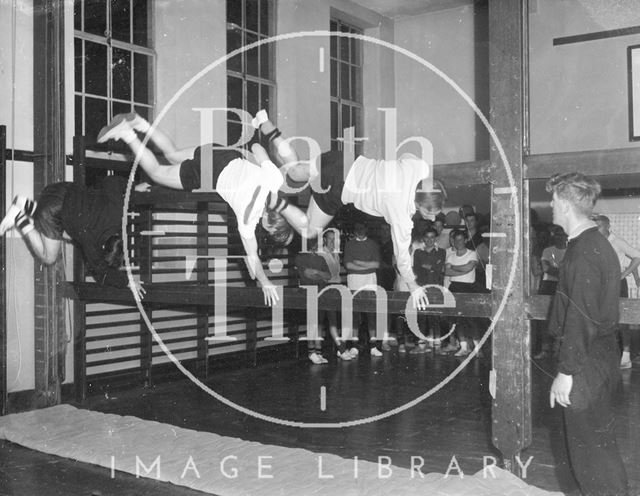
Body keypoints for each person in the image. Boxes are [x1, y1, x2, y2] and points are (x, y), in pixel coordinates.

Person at [96, 112, 294, 306]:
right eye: (272, 234)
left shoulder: (275, 180)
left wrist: (249, 170)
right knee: (157, 172)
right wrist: (265, 282)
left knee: (173, 154)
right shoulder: (248, 219)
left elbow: (258, 147)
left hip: (224, 154)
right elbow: (253, 258)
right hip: (210, 174)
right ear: (272, 226)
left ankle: (139, 123)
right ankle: (127, 133)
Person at [252, 111, 435, 311]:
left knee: (295, 172)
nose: (433, 216)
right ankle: (277, 202)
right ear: (420, 203)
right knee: (309, 231)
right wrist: (413, 286)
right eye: (430, 210)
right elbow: (402, 257)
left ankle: (264, 122)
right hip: (339, 186)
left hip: (344, 160)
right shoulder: (401, 214)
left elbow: (407, 156)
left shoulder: (418, 167)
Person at [546, 172, 628, 496]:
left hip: (586, 360)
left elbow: (580, 320)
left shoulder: (583, 253)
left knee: (587, 453)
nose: (550, 205)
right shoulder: (593, 243)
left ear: (566, 205)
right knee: (598, 445)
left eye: (553, 200)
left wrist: (566, 373)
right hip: (598, 354)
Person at [0, 177, 144, 295]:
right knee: (49, 258)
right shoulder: (92, 242)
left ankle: (26, 205)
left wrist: (133, 187)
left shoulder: (117, 214)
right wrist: (128, 282)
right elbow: (102, 272)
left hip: (59, 189)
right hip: (52, 211)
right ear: (103, 248)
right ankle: (19, 218)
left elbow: (110, 181)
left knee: (65, 228)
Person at [593, 214, 640, 369]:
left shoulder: (617, 241)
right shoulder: (595, 242)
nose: (596, 228)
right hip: (600, 284)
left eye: (599, 225)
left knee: (622, 319)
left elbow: (637, 256)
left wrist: (624, 275)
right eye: (594, 225)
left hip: (617, 284)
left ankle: (626, 357)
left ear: (608, 226)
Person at [343, 222, 382, 357]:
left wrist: (358, 263)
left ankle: (373, 346)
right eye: (357, 228)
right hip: (354, 281)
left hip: (370, 280)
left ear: (366, 229)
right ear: (354, 230)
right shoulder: (349, 244)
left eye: (362, 228)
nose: (360, 230)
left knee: (371, 313)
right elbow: (348, 265)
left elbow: (376, 264)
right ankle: (354, 346)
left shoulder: (373, 244)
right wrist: (367, 266)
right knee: (355, 315)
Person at [316, 229, 352, 360]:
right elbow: (322, 275)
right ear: (324, 239)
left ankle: (335, 349)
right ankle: (340, 350)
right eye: (330, 239)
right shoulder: (320, 253)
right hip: (325, 290)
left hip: (336, 290)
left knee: (334, 321)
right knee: (329, 321)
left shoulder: (336, 254)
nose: (332, 242)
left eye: (334, 239)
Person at [294, 240, 331, 365]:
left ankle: (319, 352)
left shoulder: (321, 259)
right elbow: (306, 276)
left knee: (319, 322)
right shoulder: (300, 258)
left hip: (320, 292)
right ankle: (311, 352)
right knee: (312, 322)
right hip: (308, 292)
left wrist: (317, 272)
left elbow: (328, 275)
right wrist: (319, 275)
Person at [410, 227, 446, 354]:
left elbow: (439, 268)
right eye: (427, 237)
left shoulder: (442, 252)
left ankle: (438, 346)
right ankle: (420, 346)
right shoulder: (418, 253)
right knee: (421, 317)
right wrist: (432, 267)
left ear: (436, 239)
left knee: (435, 317)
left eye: (432, 237)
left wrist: (429, 267)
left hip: (436, 288)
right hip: (421, 288)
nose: (430, 240)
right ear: (423, 239)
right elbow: (417, 270)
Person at [444, 229, 479, 357]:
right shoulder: (450, 256)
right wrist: (462, 269)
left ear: (465, 240)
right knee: (457, 319)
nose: (458, 242)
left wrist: (454, 267)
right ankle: (463, 347)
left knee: (471, 319)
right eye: (456, 239)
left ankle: (477, 348)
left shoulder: (472, 254)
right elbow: (447, 273)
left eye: (460, 239)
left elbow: (469, 268)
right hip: (454, 287)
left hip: (469, 288)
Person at [534, 225, 567, 359]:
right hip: (548, 285)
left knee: (563, 317)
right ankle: (545, 348)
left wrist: (559, 272)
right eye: (557, 235)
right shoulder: (548, 250)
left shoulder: (571, 250)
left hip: (564, 286)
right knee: (545, 317)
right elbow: (546, 268)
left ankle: (559, 348)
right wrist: (563, 273)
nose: (560, 238)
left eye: (562, 235)